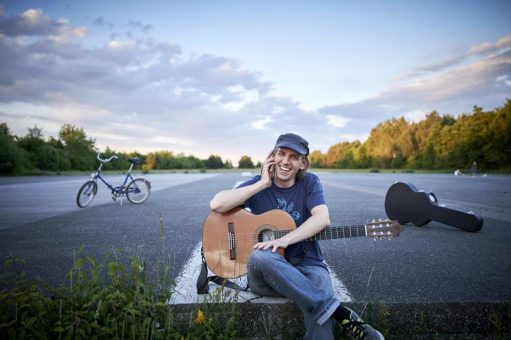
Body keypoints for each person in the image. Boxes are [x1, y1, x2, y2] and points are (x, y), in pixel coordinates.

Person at [210, 133, 384, 340]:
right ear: (272, 157)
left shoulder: (310, 182)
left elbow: (322, 219)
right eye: (281, 153)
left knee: (320, 291)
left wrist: (285, 239)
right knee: (260, 254)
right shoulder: (258, 183)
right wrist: (263, 184)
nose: (285, 161)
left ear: (302, 163)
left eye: (293, 156)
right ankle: (341, 313)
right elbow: (217, 204)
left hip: (308, 266)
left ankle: (328, 312)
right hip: (266, 276)